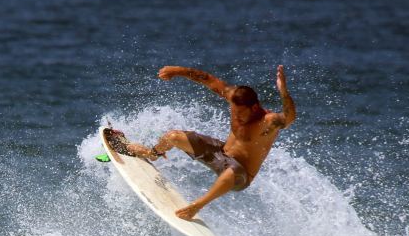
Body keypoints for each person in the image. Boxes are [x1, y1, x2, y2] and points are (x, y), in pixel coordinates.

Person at [126, 65, 296, 220]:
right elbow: (208, 79)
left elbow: (289, 118)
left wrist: (283, 92)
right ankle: (151, 154)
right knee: (173, 137)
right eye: (234, 111)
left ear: (254, 108)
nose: (236, 117)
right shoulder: (234, 97)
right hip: (219, 153)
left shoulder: (268, 121)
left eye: (241, 113)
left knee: (231, 172)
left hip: (240, 175)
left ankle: (196, 206)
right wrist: (178, 71)